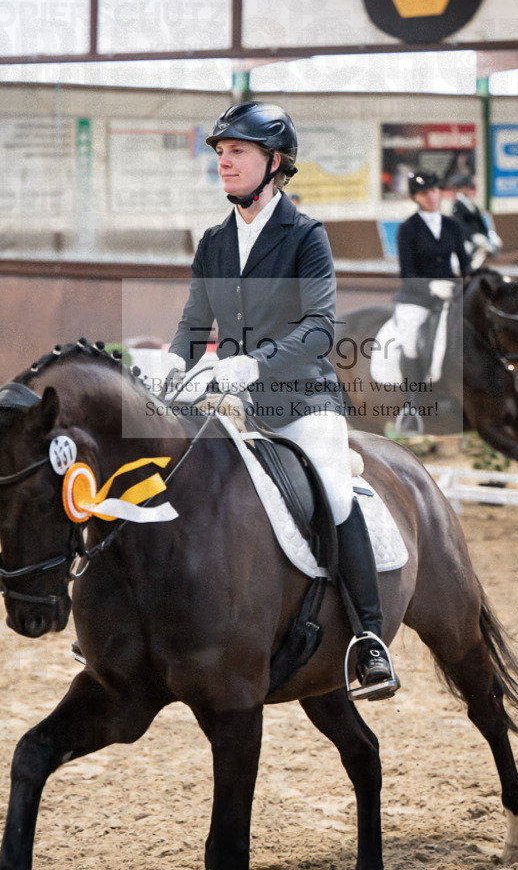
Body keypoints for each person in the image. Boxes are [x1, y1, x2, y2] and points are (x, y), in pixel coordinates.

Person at [162, 100, 399, 700]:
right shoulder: (214, 243)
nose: (224, 162)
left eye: (237, 151)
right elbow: (194, 324)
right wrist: (172, 365)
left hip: (301, 398)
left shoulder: (305, 236)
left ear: (275, 163)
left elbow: (321, 327)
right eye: (220, 152)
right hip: (230, 403)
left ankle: (368, 639)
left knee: (334, 489)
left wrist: (253, 363)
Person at [393, 170, 470, 384]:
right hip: (418, 297)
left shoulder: (453, 225)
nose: (432, 197)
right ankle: (412, 407)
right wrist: (431, 287)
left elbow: (466, 265)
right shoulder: (408, 229)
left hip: (452, 294)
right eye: (424, 193)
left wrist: (468, 286)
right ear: (415, 197)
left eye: (434, 190)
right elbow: (406, 273)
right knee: (410, 340)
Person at [451, 172, 503, 269]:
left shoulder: (472, 203)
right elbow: (461, 223)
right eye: (465, 188)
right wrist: (472, 236)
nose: (467, 190)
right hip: (467, 238)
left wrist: (487, 234)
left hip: (480, 236)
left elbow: (480, 221)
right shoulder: (458, 205)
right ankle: (468, 270)